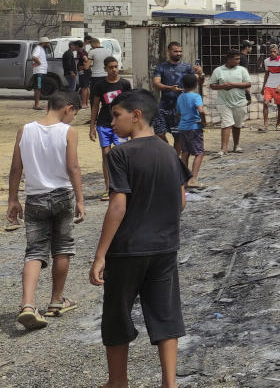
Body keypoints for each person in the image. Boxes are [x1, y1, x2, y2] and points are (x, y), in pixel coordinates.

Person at [88, 89, 190, 388]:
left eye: (117, 115)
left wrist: (100, 255)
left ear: (136, 115)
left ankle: (118, 382)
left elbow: (118, 204)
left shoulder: (119, 153)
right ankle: (169, 383)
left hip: (128, 249)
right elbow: (181, 200)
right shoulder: (168, 150)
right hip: (164, 247)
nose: (112, 122)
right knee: (166, 314)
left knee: (117, 315)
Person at [7, 90, 85, 330]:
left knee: (34, 251)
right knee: (62, 248)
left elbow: (16, 168)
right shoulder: (68, 132)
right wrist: (80, 199)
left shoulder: (25, 130)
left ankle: (28, 305)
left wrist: (12, 199)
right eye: (74, 113)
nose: (73, 118)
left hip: (35, 198)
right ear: (68, 108)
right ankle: (56, 300)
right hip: (62, 195)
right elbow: (73, 167)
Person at [90, 57, 131, 201]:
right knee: (106, 156)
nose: (114, 69)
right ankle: (108, 188)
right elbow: (95, 106)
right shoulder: (100, 85)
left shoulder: (125, 84)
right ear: (105, 69)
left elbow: (130, 104)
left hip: (121, 125)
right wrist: (92, 127)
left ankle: (123, 185)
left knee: (121, 154)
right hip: (104, 124)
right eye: (111, 67)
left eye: (116, 66)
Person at [152, 41, 203, 148]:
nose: (179, 53)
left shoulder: (187, 67)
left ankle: (176, 159)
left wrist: (200, 73)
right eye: (176, 51)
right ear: (169, 51)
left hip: (180, 108)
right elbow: (156, 83)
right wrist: (170, 88)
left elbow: (198, 82)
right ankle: (168, 150)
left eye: (180, 51)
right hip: (164, 106)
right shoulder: (161, 67)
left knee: (178, 136)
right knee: (159, 133)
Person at [208, 50, 251, 158]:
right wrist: (222, 86)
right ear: (229, 59)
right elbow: (212, 85)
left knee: (237, 125)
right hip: (224, 102)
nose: (238, 61)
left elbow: (248, 83)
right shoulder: (218, 70)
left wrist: (233, 85)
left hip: (240, 102)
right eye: (236, 59)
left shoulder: (242, 70)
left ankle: (236, 145)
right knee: (226, 123)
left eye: (239, 59)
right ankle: (224, 149)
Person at [176, 74, 206, 189]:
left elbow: (178, 113)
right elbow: (201, 111)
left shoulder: (180, 97)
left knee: (185, 152)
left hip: (182, 128)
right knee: (199, 153)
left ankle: (184, 179)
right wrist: (204, 122)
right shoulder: (196, 96)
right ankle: (193, 179)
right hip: (194, 128)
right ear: (196, 84)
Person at [260, 44, 280, 131]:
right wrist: (263, 87)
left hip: (279, 87)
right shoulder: (266, 61)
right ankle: (265, 125)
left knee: (279, 106)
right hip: (269, 85)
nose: (273, 53)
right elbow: (266, 74)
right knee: (265, 103)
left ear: (278, 52)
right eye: (271, 52)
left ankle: (278, 124)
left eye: (274, 52)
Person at [30, 37, 51, 110]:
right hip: (39, 72)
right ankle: (36, 105)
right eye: (47, 43)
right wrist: (38, 63)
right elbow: (34, 57)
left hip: (41, 72)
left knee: (39, 88)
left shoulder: (41, 49)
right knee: (38, 88)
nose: (48, 44)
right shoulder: (38, 48)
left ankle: (37, 104)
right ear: (43, 43)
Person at [239, 40, 254, 105]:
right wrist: (247, 84)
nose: (251, 48)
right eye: (250, 47)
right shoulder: (243, 58)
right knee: (248, 101)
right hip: (241, 83)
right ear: (246, 48)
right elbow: (245, 71)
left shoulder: (239, 56)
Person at [78, 39, 92, 108]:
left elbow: (86, 60)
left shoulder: (82, 52)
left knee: (84, 88)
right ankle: (86, 103)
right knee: (87, 87)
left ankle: (84, 104)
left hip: (84, 72)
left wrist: (84, 66)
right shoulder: (85, 52)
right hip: (86, 72)